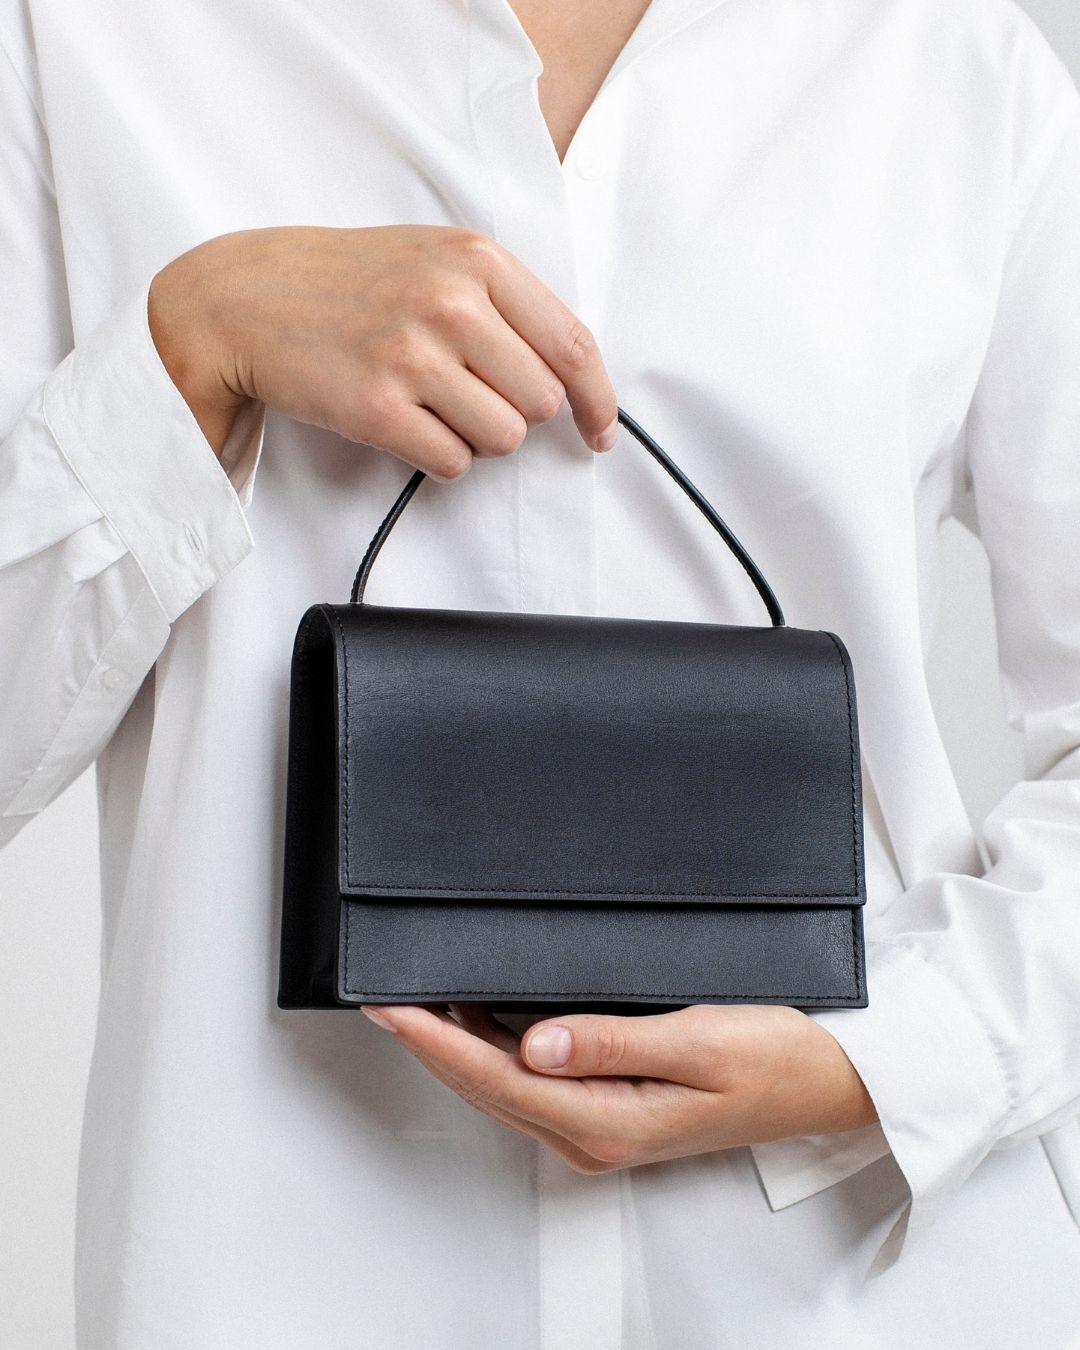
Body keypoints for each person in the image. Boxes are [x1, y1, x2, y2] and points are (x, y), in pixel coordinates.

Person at [2, 0, 1079, 1344]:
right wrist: (189, 346)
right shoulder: (84, 40)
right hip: (284, 1276)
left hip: (861, 1281)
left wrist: (891, 1055)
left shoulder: (946, 60)